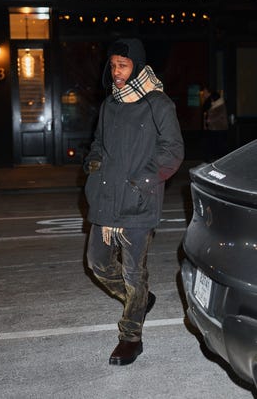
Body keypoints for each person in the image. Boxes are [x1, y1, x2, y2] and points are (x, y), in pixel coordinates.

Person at [83, 38, 184, 366]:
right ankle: (138, 301)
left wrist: (140, 182)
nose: (116, 72)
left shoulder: (158, 104)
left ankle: (131, 337)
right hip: (106, 197)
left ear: (137, 66)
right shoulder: (109, 105)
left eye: (122, 66)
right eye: (113, 66)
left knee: (133, 272)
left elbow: (173, 151)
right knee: (97, 262)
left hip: (138, 202)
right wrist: (94, 164)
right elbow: (98, 142)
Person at [204, 90, 228, 161]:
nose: (211, 100)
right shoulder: (215, 105)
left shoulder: (220, 105)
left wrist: (209, 120)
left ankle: (220, 160)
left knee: (219, 146)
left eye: (211, 98)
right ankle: (214, 160)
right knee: (215, 146)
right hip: (214, 129)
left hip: (219, 129)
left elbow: (219, 116)